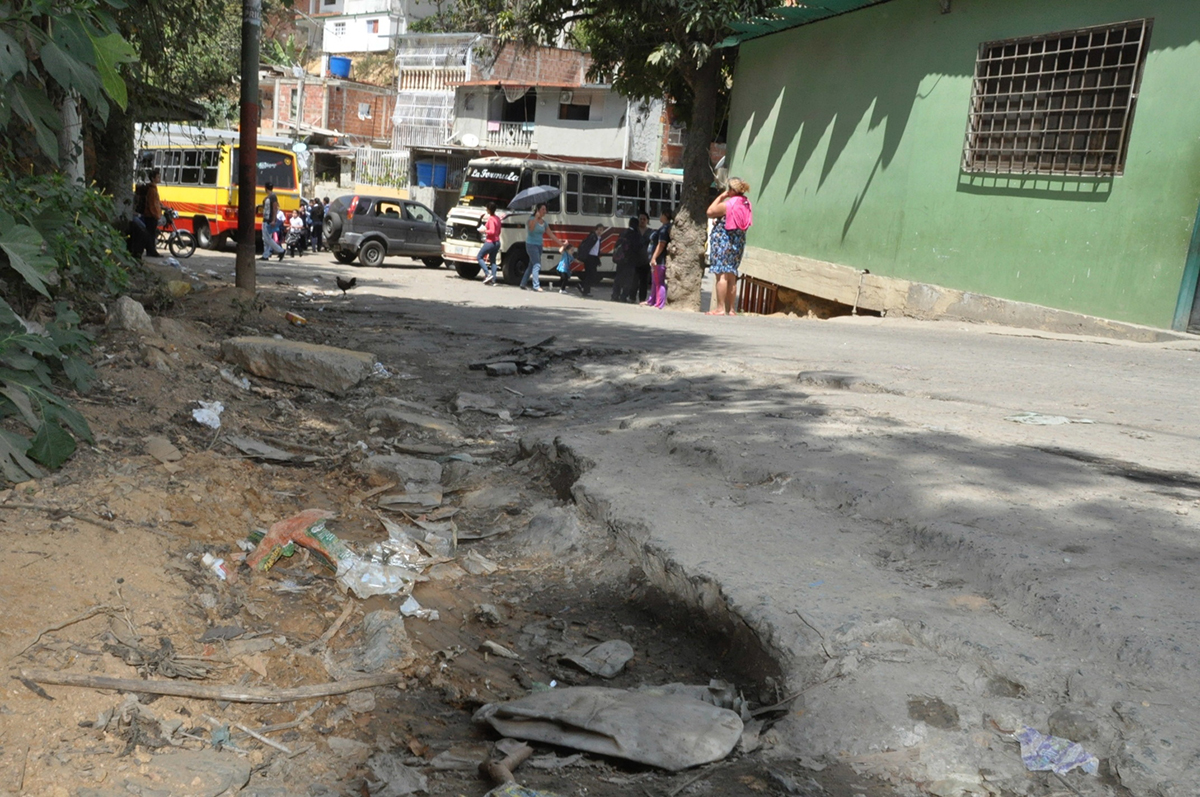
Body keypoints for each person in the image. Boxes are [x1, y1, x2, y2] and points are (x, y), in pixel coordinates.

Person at [706, 177, 753, 315]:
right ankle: (731, 309)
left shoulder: (729, 204)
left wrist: (721, 196)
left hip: (723, 241)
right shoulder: (745, 203)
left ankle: (720, 308)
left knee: (721, 275)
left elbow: (710, 212)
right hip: (738, 242)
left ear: (732, 190)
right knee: (732, 275)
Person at [519, 203, 562, 292]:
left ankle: (523, 283)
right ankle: (536, 285)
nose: (544, 211)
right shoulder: (531, 219)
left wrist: (561, 244)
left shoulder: (544, 223)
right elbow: (531, 229)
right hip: (531, 244)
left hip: (539, 245)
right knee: (537, 264)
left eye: (545, 210)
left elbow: (551, 235)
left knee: (531, 265)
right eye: (543, 209)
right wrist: (535, 218)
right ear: (537, 210)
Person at [646, 209, 673, 309]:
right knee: (654, 281)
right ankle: (652, 300)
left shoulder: (664, 229)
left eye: (661, 214)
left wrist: (654, 257)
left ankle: (659, 303)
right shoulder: (663, 228)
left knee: (659, 281)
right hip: (657, 260)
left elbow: (661, 244)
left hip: (659, 260)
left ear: (665, 216)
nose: (660, 216)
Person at [611, 217, 642, 302]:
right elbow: (637, 248)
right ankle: (623, 296)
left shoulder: (623, 232)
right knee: (628, 279)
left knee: (618, 277)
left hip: (620, 259)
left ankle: (615, 295)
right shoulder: (636, 234)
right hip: (630, 260)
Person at [575, 224, 604, 297]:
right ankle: (583, 287)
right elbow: (587, 247)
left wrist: (598, 260)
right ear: (596, 230)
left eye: (601, 230)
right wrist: (583, 257)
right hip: (589, 258)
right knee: (591, 275)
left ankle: (586, 291)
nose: (600, 231)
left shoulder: (598, 238)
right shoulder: (593, 237)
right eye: (599, 230)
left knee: (591, 275)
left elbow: (597, 250)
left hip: (594, 258)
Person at [477, 202, 502, 285]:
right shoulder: (497, 218)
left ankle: (487, 274)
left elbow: (492, 231)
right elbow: (498, 231)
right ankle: (493, 280)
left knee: (479, 256)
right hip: (497, 242)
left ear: (489, 209)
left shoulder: (491, 219)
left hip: (490, 242)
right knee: (493, 261)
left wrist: (484, 231)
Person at [260, 182, 285, 261]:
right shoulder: (269, 196)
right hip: (266, 218)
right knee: (265, 239)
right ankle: (266, 254)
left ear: (265, 188)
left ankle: (280, 250)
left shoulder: (273, 196)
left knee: (267, 238)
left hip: (269, 219)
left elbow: (274, 208)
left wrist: (274, 220)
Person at [141, 169, 163, 257]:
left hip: (151, 215)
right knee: (151, 234)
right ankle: (151, 251)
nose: (159, 178)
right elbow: (152, 204)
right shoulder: (152, 190)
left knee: (151, 233)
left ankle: (151, 250)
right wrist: (156, 215)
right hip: (151, 216)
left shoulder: (153, 189)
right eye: (157, 177)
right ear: (153, 178)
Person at [635, 211, 652, 303]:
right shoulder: (635, 230)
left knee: (644, 281)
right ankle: (632, 296)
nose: (642, 221)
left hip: (645, 260)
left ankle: (642, 299)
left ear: (647, 221)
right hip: (634, 259)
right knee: (634, 280)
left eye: (644, 219)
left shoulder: (650, 232)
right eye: (640, 219)